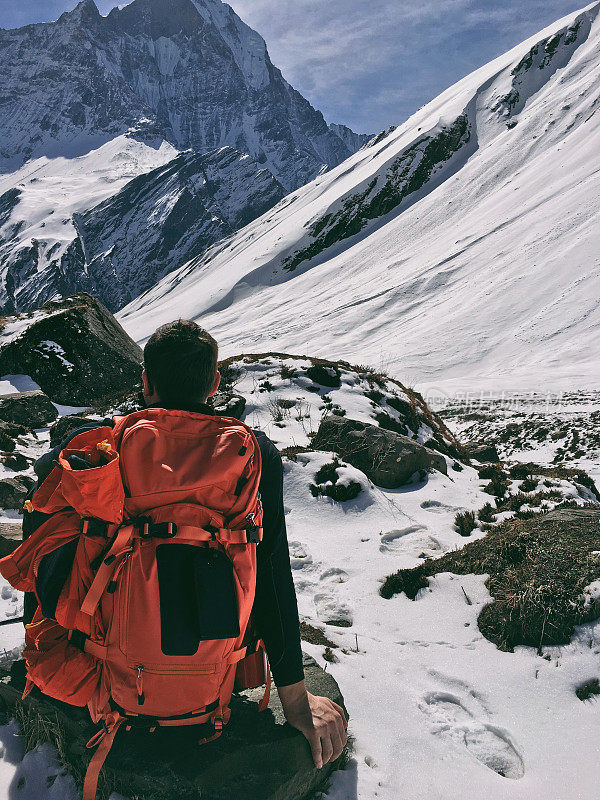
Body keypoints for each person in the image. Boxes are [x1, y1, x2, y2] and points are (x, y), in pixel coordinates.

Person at [25, 319, 347, 769]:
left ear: (145, 383)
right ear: (214, 384)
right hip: (215, 679)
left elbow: (40, 512)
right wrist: (294, 696)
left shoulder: (106, 447)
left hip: (107, 675)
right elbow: (273, 572)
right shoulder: (255, 454)